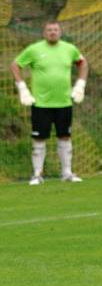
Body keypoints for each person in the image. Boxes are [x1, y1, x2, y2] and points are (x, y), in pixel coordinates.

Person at [11, 20, 88, 185]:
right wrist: (22, 88)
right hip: (41, 103)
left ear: (60, 32)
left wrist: (80, 85)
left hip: (64, 102)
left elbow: (82, 63)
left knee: (65, 136)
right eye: (49, 30)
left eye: (55, 29)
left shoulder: (69, 49)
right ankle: (37, 174)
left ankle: (66, 173)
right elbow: (16, 65)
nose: (52, 32)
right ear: (44, 32)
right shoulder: (34, 49)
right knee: (39, 139)